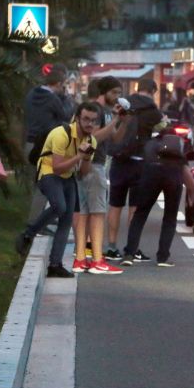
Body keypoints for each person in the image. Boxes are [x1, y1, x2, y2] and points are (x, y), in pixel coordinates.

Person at [15, 102, 99, 278]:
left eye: (93, 120)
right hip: (48, 173)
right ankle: (27, 234)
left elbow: (84, 173)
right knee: (59, 207)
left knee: (67, 219)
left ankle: (55, 264)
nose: (89, 124)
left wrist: (86, 158)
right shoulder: (61, 134)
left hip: (68, 177)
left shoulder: (91, 141)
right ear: (77, 118)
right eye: (85, 119)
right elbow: (57, 167)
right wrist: (79, 156)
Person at [72, 76, 129, 275]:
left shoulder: (104, 113)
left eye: (120, 94)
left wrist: (122, 122)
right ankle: (96, 260)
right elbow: (92, 137)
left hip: (93, 165)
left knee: (85, 213)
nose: (118, 97)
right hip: (92, 165)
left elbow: (114, 138)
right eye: (114, 93)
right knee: (96, 213)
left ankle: (80, 259)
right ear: (103, 92)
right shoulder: (94, 112)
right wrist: (114, 119)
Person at [105, 82, 164, 262]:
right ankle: (132, 247)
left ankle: (112, 247)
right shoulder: (154, 112)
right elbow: (159, 133)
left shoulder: (125, 103)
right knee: (134, 209)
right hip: (140, 163)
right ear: (153, 92)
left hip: (119, 161)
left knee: (115, 206)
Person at [121, 122, 192, 268]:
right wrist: (192, 191)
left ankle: (129, 254)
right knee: (170, 218)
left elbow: (142, 164)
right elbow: (186, 172)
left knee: (140, 215)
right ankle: (162, 257)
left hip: (150, 177)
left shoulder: (150, 144)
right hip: (173, 178)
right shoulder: (179, 145)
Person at [24, 63, 71, 221]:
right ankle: (35, 223)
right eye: (63, 85)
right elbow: (66, 115)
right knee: (44, 187)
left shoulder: (31, 94)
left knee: (37, 184)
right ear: (58, 84)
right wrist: (65, 97)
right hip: (44, 144)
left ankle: (37, 219)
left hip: (30, 143)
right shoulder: (53, 98)